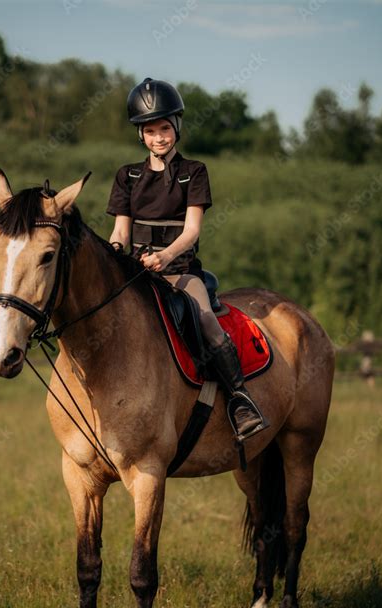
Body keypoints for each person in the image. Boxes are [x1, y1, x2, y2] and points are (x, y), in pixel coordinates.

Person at [106, 77, 268, 442]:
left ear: (176, 127)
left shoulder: (193, 172)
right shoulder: (127, 176)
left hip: (180, 273)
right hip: (138, 276)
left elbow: (192, 230)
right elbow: (120, 232)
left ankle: (241, 402)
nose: (159, 137)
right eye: (150, 131)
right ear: (141, 135)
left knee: (208, 320)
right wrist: (115, 254)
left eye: (165, 128)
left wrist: (165, 256)